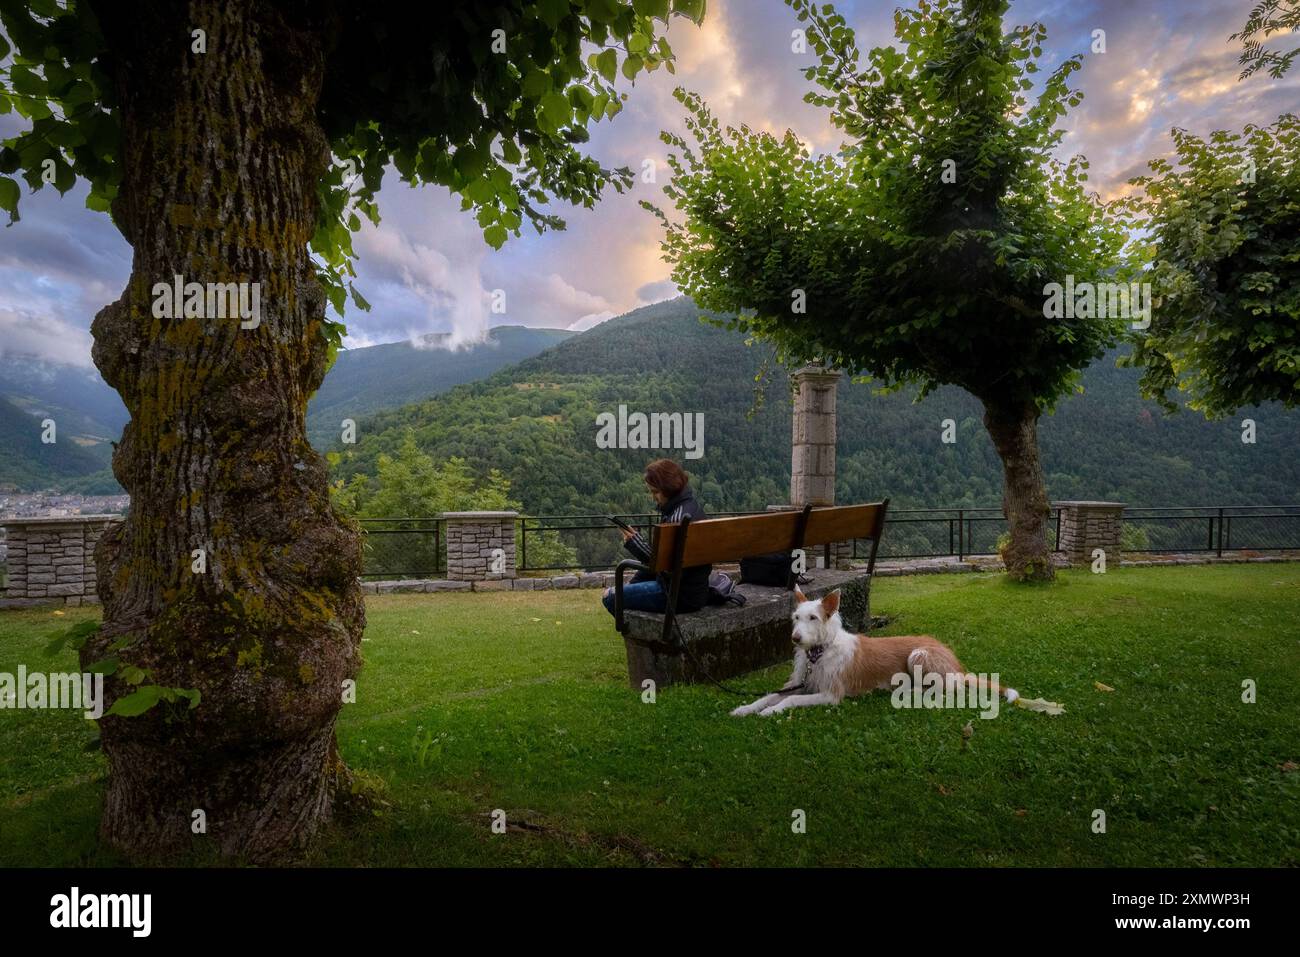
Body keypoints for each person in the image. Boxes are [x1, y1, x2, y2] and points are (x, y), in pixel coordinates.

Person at [602, 459, 711, 617]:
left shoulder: (677, 520)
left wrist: (636, 545)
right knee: (624, 590)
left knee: (610, 597)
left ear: (668, 488)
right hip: (696, 591)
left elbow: (665, 569)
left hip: (676, 595)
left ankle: (636, 630)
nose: (653, 497)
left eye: (655, 492)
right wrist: (632, 584)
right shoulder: (691, 506)